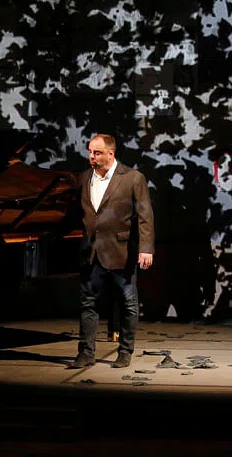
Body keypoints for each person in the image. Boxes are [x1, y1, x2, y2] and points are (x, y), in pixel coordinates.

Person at [71, 133, 154, 369]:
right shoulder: (84, 178)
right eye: (90, 152)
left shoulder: (132, 178)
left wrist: (146, 248)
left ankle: (125, 352)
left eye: (97, 153)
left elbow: (145, 216)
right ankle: (85, 353)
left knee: (128, 303)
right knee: (88, 303)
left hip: (121, 251)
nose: (92, 157)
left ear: (110, 153)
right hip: (92, 251)